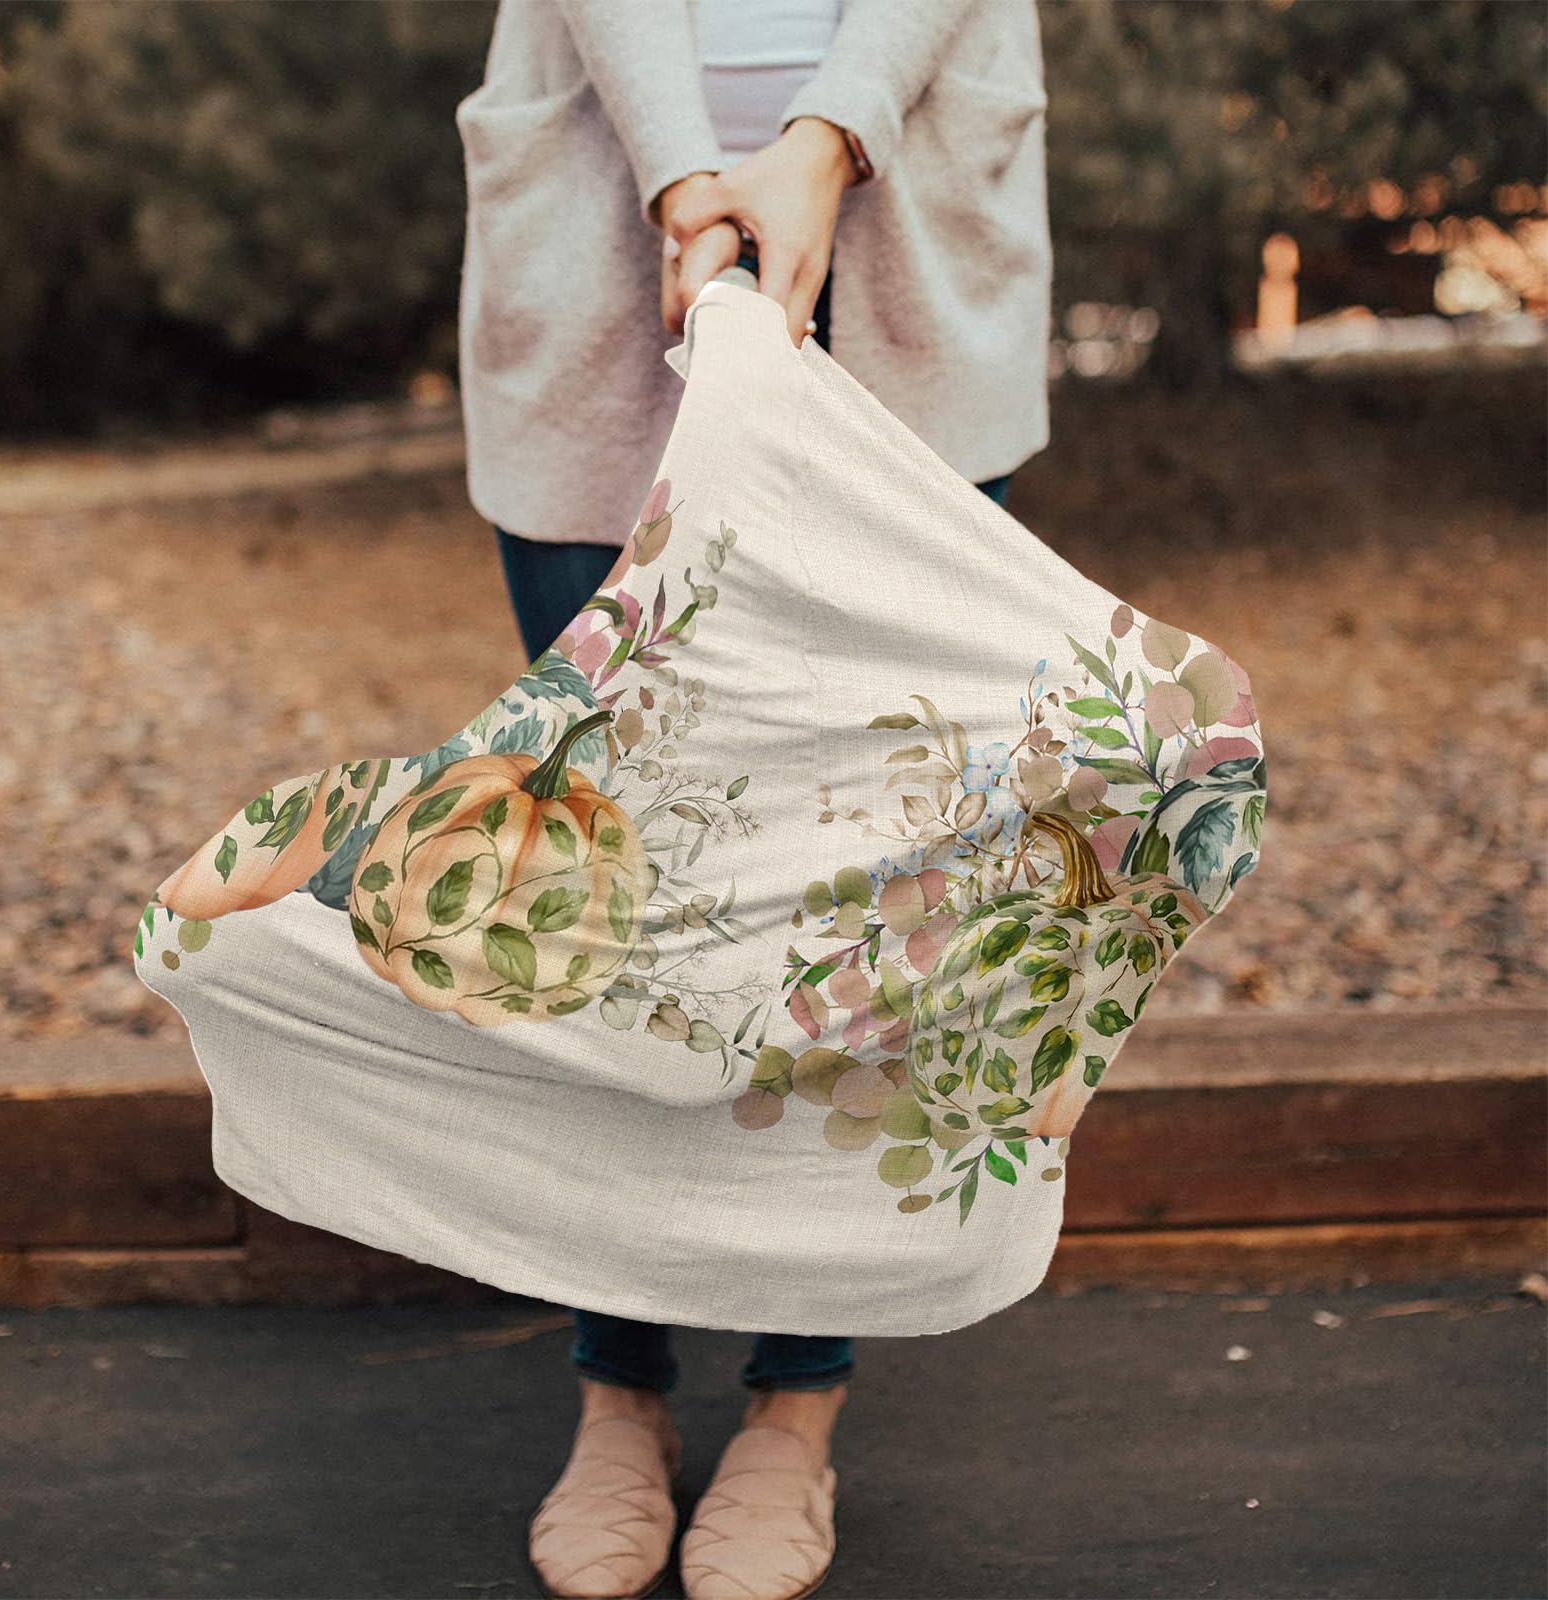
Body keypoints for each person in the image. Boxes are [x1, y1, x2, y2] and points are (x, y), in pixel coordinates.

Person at [454, 3, 1052, 1595]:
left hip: (906, 217)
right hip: (603, 218)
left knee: (866, 871)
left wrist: (825, 136)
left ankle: (797, 1401)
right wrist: (681, 177)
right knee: (609, 866)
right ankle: (617, 1385)